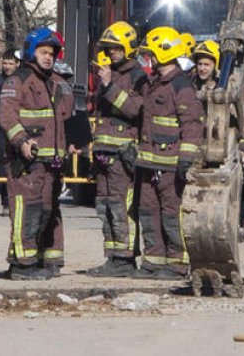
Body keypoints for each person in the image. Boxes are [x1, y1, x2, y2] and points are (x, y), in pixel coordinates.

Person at [0, 27, 73, 280]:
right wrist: (21, 141)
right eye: (43, 52)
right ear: (32, 52)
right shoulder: (17, 80)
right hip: (27, 162)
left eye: (52, 54)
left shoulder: (58, 83)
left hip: (51, 162)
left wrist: (72, 145)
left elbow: (67, 119)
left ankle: (44, 259)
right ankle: (23, 264)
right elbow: (7, 115)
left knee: (46, 210)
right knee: (26, 209)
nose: (48, 57)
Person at [134, 26, 204, 279]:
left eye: (151, 54)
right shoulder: (153, 84)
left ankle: (176, 264)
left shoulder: (181, 86)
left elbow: (192, 124)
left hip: (171, 164)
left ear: (165, 53)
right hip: (149, 163)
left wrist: (186, 159)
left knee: (171, 213)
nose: (148, 59)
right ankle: (153, 261)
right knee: (147, 211)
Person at [86, 22, 146, 278]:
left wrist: (110, 86)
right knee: (105, 206)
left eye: (116, 48)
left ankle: (125, 258)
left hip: (123, 154)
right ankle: (112, 256)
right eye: (108, 48)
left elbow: (135, 109)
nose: (111, 53)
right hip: (104, 153)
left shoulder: (138, 76)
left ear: (129, 48)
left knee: (122, 207)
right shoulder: (108, 73)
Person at [0, 50, 20, 213]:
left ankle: (17, 199)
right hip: (1, 128)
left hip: (19, 127)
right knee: (2, 163)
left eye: (10, 63)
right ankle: (5, 201)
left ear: (17, 64)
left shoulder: (22, 80)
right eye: (5, 63)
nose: (7, 66)